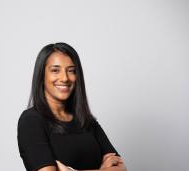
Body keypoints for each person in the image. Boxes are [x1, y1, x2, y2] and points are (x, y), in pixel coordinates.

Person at [17, 42, 127, 171]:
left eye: (71, 71)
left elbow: (121, 167)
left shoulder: (86, 121)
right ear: (42, 75)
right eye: (55, 70)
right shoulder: (31, 121)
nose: (65, 78)